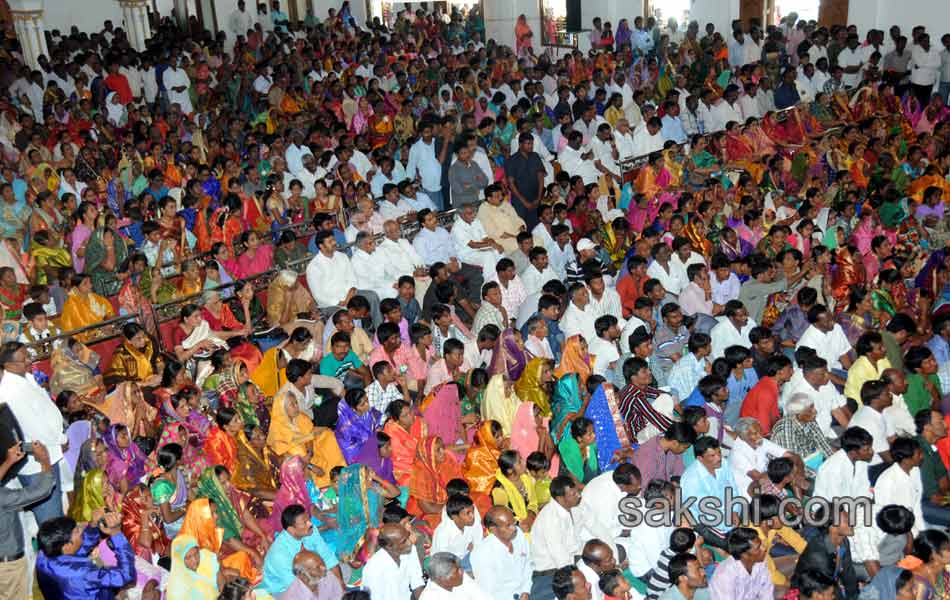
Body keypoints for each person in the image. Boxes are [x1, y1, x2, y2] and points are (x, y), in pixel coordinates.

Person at [36, 511, 136, 600]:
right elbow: (126, 576)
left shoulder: (43, 554)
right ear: (66, 546)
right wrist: (117, 534)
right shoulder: (84, 572)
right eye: (77, 531)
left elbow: (77, 548)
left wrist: (93, 525)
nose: (82, 529)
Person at [260, 504, 342, 596]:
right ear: (291, 529)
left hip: (310, 574)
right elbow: (297, 586)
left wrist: (340, 588)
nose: (310, 524)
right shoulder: (279, 554)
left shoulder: (311, 530)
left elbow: (327, 557)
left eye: (309, 520)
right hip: (283, 589)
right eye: (304, 522)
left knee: (343, 571)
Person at [361, 523, 426, 600]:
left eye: (408, 536)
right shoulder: (372, 569)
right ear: (389, 546)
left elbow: (417, 581)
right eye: (403, 541)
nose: (409, 543)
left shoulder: (410, 550)